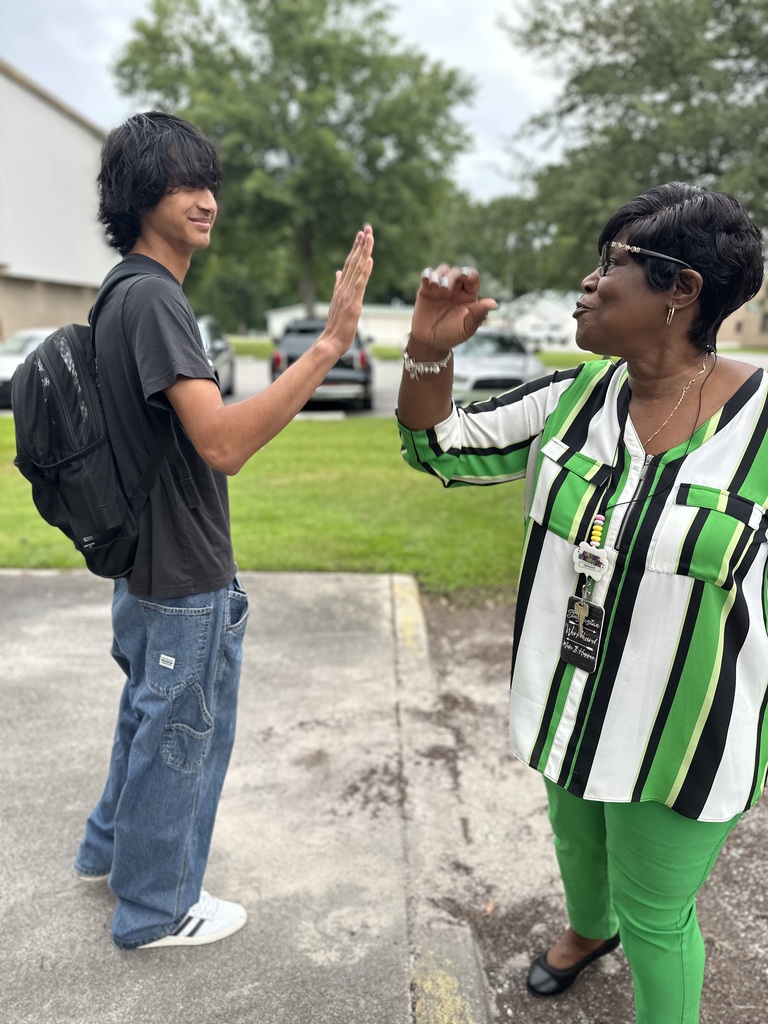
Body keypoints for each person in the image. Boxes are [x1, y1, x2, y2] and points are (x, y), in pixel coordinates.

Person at [396, 182, 767, 1023]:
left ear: (683, 290)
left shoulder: (764, 424)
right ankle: (585, 928)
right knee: (576, 835)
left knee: (659, 919)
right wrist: (427, 349)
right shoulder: (572, 397)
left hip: (686, 733)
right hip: (571, 690)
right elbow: (436, 446)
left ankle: (621, 938)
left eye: (615, 265)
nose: (590, 283)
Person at [72, 111, 374, 950]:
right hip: (181, 572)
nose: (207, 199)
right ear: (139, 195)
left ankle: (106, 852)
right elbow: (224, 443)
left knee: (146, 719)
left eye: (210, 183)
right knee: (181, 741)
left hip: (143, 565)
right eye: (183, 183)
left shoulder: (119, 292)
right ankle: (156, 908)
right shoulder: (157, 301)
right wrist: (331, 347)